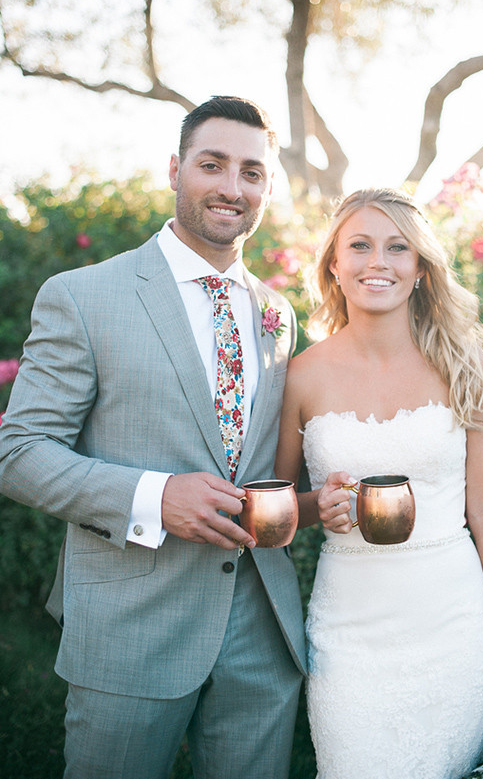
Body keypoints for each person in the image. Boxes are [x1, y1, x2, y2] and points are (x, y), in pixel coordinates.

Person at [0, 96, 306, 779]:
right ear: (175, 170)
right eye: (213, 164)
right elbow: (18, 453)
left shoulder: (277, 314)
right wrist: (154, 495)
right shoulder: (84, 295)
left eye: (252, 171)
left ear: (267, 187)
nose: (232, 186)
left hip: (260, 628)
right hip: (130, 622)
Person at [275, 188, 483, 779]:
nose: (378, 261)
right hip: (350, 630)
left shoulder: (464, 363)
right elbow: (275, 511)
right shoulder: (300, 375)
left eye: (398, 247)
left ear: (421, 268)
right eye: (360, 245)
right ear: (333, 263)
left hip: (452, 624)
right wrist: (315, 505)